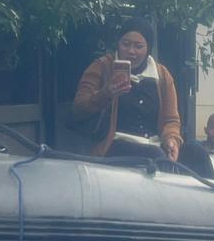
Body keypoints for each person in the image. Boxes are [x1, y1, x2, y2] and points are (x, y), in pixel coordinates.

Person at [72, 17, 183, 161]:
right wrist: (105, 93)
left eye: (138, 46)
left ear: (148, 48)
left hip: (155, 145)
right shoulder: (102, 67)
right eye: (126, 44)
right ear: (118, 44)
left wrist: (171, 139)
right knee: (156, 156)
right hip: (116, 144)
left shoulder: (162, 75)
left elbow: (171, 119)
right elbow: (78, 108)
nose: (131, 51)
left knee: (196, 152)